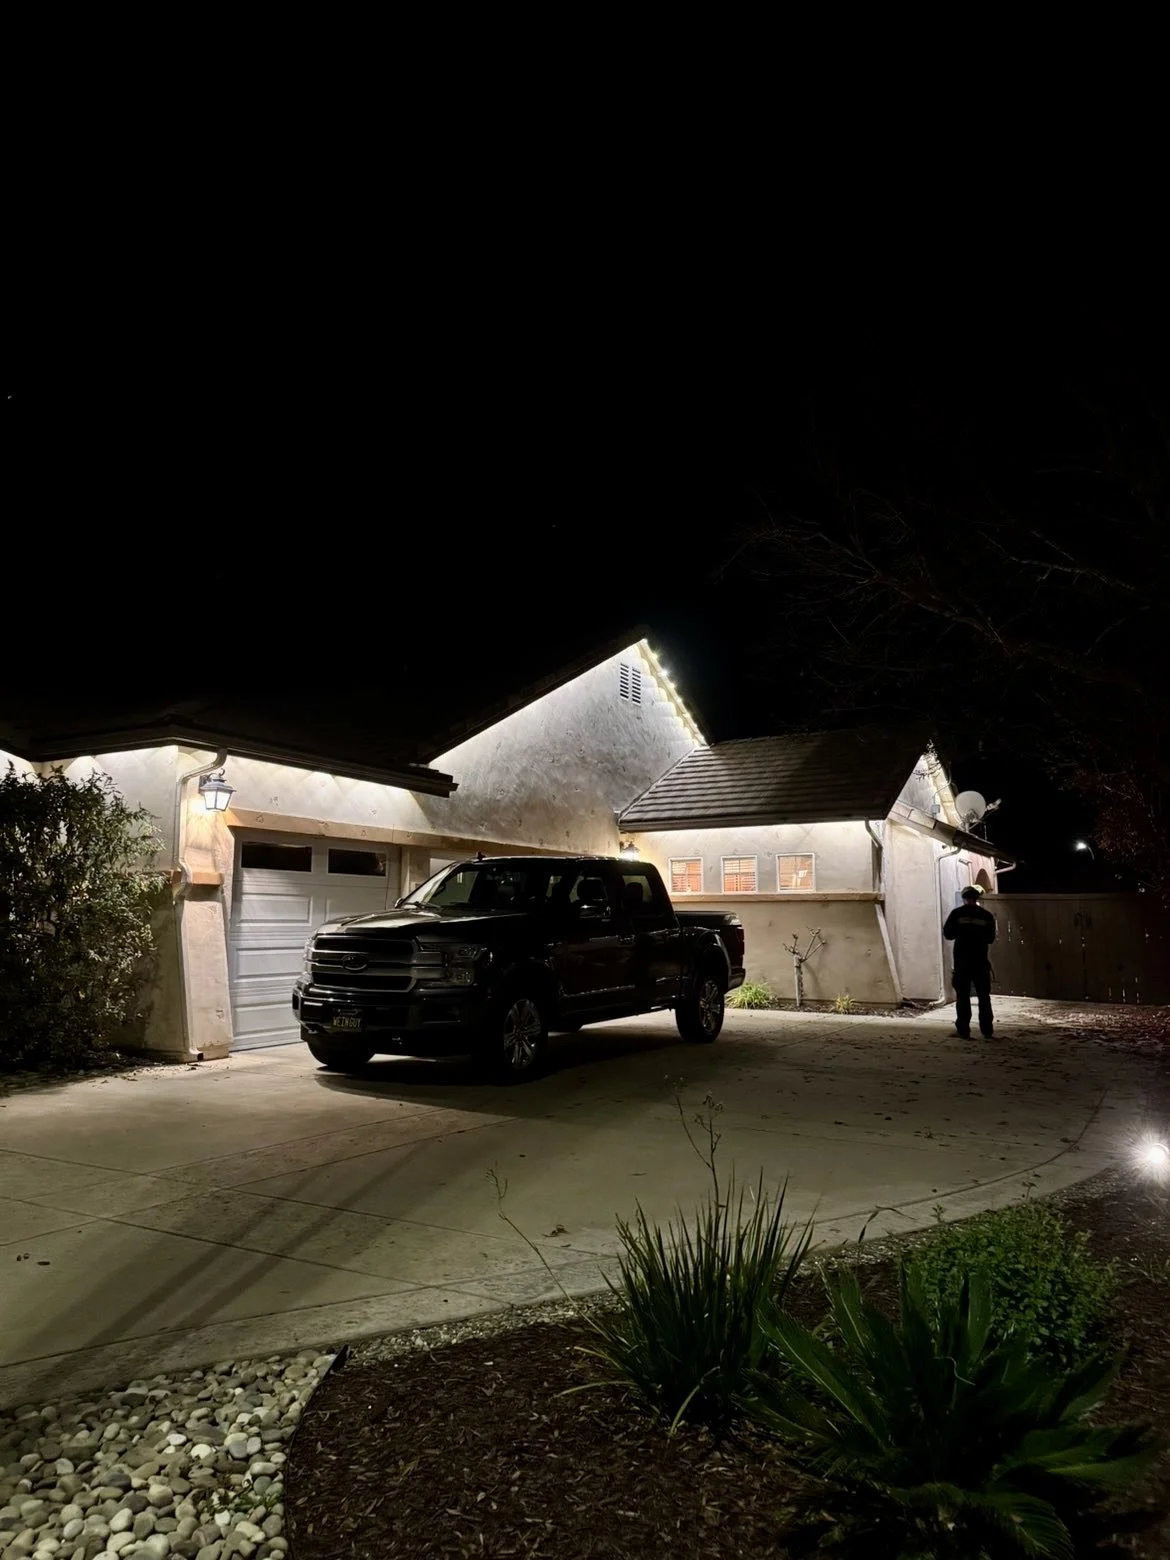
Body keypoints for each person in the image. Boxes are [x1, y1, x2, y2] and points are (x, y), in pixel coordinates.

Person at [943, 884, 997, 1039]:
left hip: (962, 962)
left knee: (963, 996)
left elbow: (948, 934)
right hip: (980, 961)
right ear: (976, 898)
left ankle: (963, 1030)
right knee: (984, 996)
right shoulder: (986, 916)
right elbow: (990, 938)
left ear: (964, 898)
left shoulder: (957, 914)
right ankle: (987, 1030)